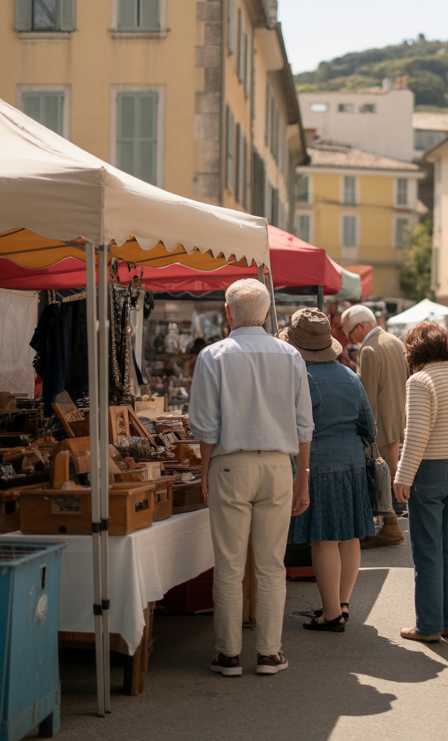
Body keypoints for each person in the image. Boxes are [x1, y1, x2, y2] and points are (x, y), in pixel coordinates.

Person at [190, 279, 313, 677]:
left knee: (229, 565)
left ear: (228, 313)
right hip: (277, 465)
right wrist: (302, 476)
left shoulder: (212, 355)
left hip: (229, 464)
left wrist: (204, 472)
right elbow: (304, 425)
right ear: (266, 313)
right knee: (271, 565)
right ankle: (268, 653)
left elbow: (205, 426)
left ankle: (228, 654)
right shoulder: (290, 355)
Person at [281, 308, 376, 633]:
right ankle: (341, 604)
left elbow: (292, 428)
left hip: (317, 465)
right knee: (349, 535)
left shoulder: (301, 378)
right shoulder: (350, 376)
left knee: (323, 538)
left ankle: (332, 614)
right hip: (352, 462)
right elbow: (369, 428)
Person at [393, 322, 448, 642]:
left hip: (430, 469)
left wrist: (402, 475)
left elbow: (416, 434)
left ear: (414, 351)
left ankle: (427, 625)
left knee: (427, 550)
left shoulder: (420, 380)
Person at [341, 304, 409, 548]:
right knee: (392, 472)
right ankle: (391, 524)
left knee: (380, 475)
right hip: (398, 419)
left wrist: (363, 429)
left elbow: (366, 396)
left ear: (360, 326)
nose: (350, 339)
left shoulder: (369, 349)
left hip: (379, 424)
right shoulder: (395, 341)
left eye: (350, 333)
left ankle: (390, 526)